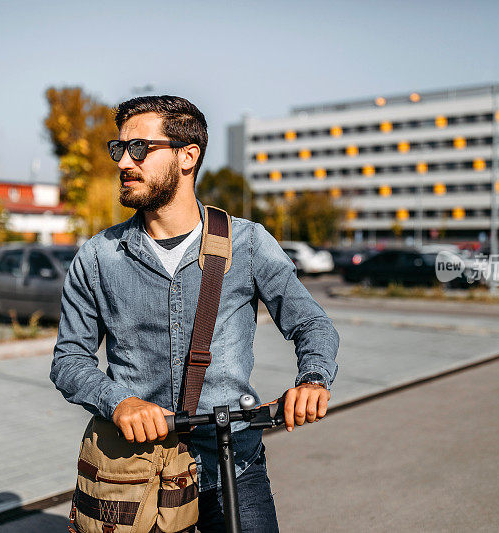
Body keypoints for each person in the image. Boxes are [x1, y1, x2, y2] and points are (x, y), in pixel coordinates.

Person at [50, 95, 339, 532]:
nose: (125, 162)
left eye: (140, 149)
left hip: (232, 463)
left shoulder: (248, 243)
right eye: (119, 149)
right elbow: (69, 359)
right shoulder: (98, 256)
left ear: (188, 156)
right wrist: (120, 402)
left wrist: (312, 381)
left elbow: (312, 323)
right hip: (137, 472)